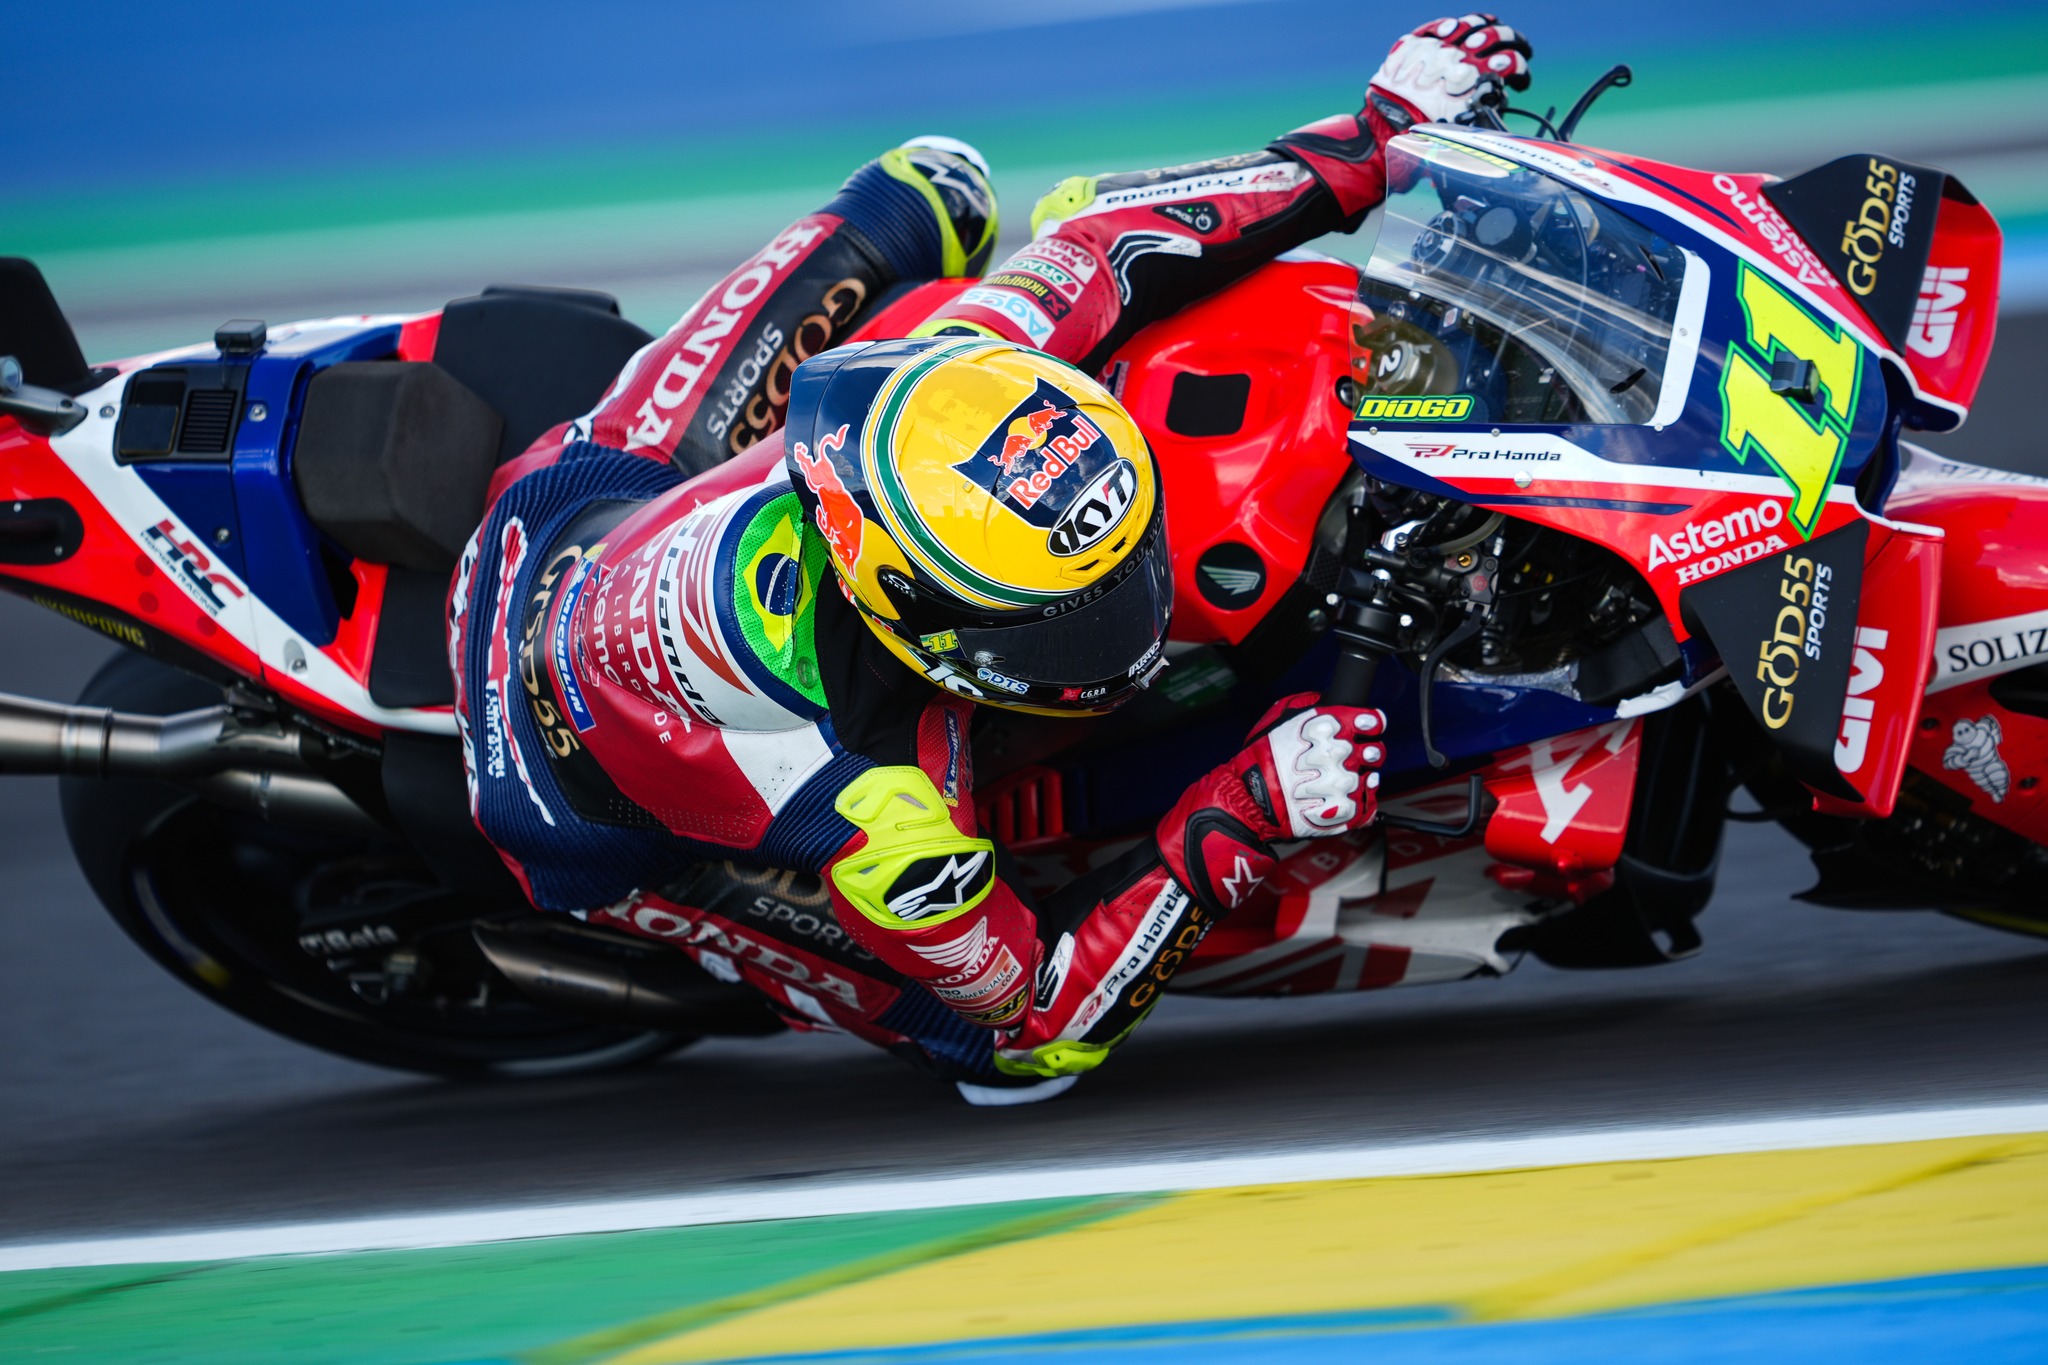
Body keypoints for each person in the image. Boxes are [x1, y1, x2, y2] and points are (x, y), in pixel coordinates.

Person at [451, 15, 1533, 1102]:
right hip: (553, 789)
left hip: (579, 503)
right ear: (925, 625)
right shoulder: (884, 811)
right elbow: (1044, 1016)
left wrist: (1375, 137)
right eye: (1072, 618)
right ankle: (679, 917)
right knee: (996, 1058)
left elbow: (1110, 238)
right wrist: (1244, 806)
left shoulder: (959, 370)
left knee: (931, 187)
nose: (1133, 617)